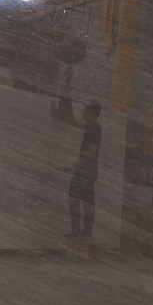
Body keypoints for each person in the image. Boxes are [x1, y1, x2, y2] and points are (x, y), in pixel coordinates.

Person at [65, 101, 102, 240]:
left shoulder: (94, 131)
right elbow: (73, 122)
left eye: (85, 109)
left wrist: (74, 165)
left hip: (86, 170)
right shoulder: (91, 127)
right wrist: (63, 108)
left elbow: (92, 154)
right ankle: (84, 233)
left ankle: (80, 232)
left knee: (77, 200)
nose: (82, 111)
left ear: (91, 113)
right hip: (87, 170)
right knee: (85, 201)